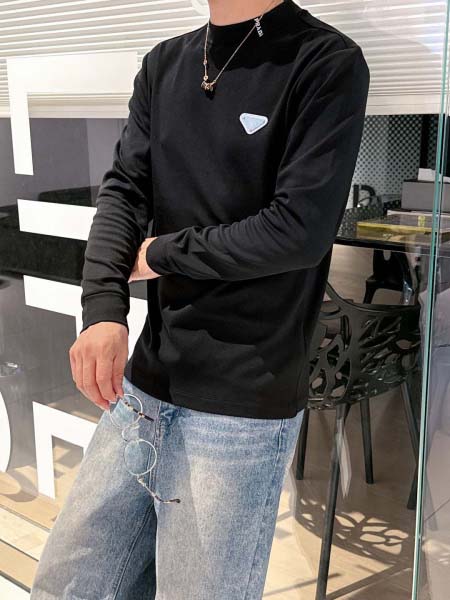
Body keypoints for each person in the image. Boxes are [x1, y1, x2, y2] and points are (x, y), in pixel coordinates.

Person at [30, 0, 370, 598]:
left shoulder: (324, 60)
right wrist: (102, 311)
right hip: (144, 385)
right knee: (67, 584)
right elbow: (123, 192)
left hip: (241, 403)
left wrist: (160, 254)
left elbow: (298, 231)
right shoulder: (166, 63)